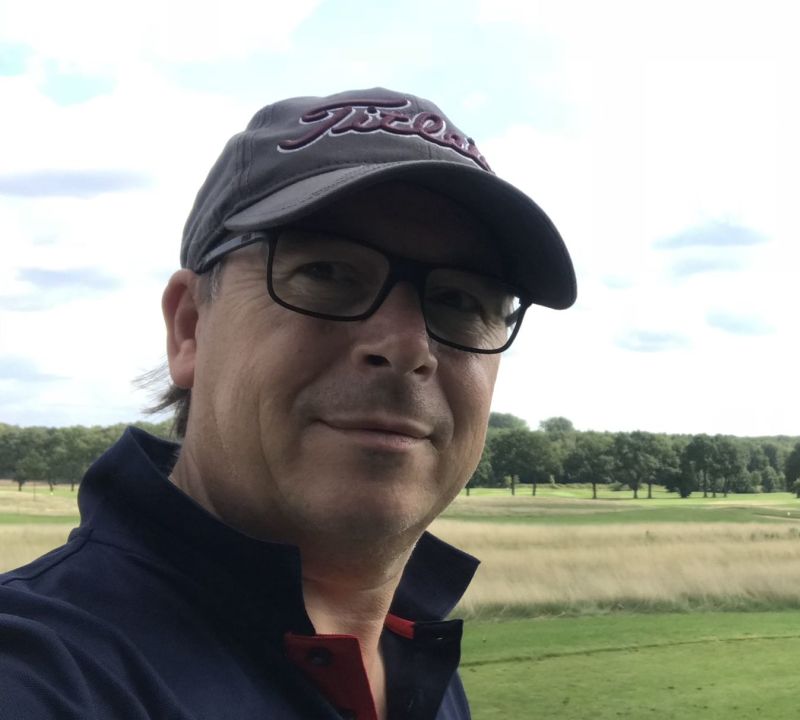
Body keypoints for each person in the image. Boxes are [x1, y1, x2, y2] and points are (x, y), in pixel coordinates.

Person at [0, 88, 576, 720]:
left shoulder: (404, 651)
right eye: (327, 273)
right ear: (190, 328)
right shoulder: (43, 675)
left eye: (461, 301)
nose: (408, 347)